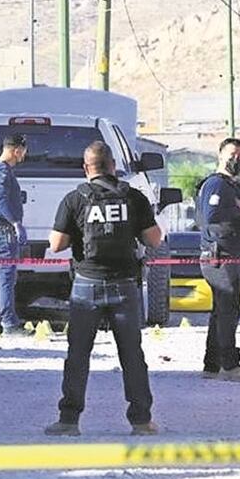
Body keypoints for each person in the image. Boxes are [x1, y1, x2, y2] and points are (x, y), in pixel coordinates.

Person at [44, 141, 163, 437]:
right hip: (124, 286)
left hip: (86, 284)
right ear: (113, 166)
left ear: (87, 169)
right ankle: (141, 421)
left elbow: (56, 245)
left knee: (78, 354)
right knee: (132, 355)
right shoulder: (133, 198)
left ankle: (69, 420)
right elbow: (154, 239)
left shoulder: (75, 199)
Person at [197, 138, 240, 383]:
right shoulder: (216, 184)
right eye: (233, 154)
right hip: (220, 257)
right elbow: (211, 216)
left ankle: (212, 365)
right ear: (221, 155)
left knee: (221, 312)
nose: (238, 159)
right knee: (228, 312)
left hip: (232, 255)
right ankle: (229, 365)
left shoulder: (231, 186)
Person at [0, 133, 28, 335]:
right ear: (16, 149)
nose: (24, 155)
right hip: (2, 233)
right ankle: (9, 323)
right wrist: (16, 222)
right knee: (6, 278)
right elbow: (0, 199)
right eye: (23, 151)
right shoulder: (2, 171)